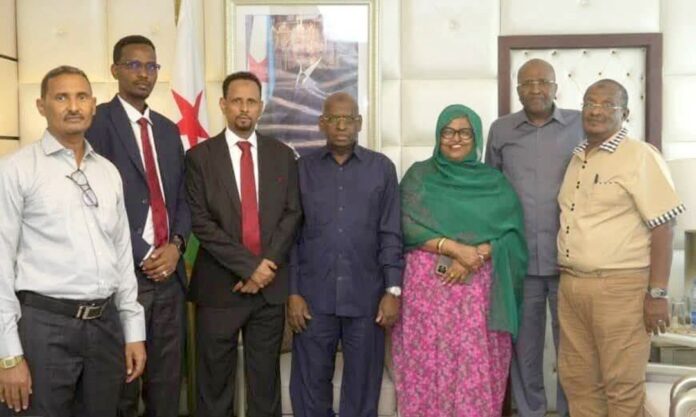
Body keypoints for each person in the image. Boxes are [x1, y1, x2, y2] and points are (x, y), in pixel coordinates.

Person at [0, 65, 146, 416]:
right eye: (61, 97)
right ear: (41, 105)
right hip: (44, 327)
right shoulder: (16, 169)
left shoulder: (108, 172)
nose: (73, 106)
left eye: (81, 97)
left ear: (93, 105)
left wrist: (133, 330)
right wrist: (8, 355)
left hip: (105, 326)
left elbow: (122, 255)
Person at [557, 79, 684, 417]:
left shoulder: (640, 156)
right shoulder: (578, 157)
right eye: (589, 102)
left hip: (620, 288)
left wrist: (657, 293)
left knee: (622, 386)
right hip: (572, 286)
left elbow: (664, 226)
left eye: (606, 104)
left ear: (625, 113)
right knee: (579, 384)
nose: (595, 110)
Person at [392, 104, 528, 417]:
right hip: (426, 296)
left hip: (477, 298)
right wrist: (454, 248)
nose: (456, 139)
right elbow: (403, 224)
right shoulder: (419, 177)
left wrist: (476, 254)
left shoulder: (494, 183)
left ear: (476, 136)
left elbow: (513, 235)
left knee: (473, 363)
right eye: (448, 132)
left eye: (465, 132)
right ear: (438, 136)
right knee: (426, 364)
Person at [185, 71, 302, 417]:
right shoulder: (199, 157)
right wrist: (250, 267)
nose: (244, 108)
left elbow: (292, 214)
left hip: (268, 291)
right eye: (237, 101)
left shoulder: (282, 155)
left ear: (261, 107)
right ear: (223, 104)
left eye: (251, 101)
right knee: (214, 386)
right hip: (219, 289)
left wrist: (265, 268)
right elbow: (201, 223)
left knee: (264, 385)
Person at [85, 35, 190, 417]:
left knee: (167, 384)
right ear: (115, 70)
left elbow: (183, 197)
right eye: (134, 65)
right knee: (123, 385)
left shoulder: (167, 129)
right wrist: (144, 253)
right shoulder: (95, 124)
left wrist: (176, 246)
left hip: (170, 278)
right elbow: (92, 203)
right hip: (123, 275)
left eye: (151, 66)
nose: (144, 73)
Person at [287, 92, 403, 417]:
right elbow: (290, 237)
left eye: (348, 118)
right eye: (334, 119)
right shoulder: (302, 169)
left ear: (359, 123)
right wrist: (293, 292)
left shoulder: (381, 169)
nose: (341, 125)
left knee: (363, 390)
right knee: (310, 391)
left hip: (366, 298)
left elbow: (391, 234)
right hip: (313, 300)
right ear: (322, 123)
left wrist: (393, 290)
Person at [485, 58, 582, 417]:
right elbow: (491, 190)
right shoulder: (501, 130)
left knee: (572, 349)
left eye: (543, 82)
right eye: (527, 83)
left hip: (570, 260)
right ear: (518, 90)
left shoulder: (580, 125)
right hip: (519, 259)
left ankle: (571, 412)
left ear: (556, 87)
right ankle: (530, 412)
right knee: (524, 350)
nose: (536, 89)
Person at [258, 17, 358, 155]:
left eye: (310, 42)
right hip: (281, 160)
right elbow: (264, 125)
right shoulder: (285, 79)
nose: (304, 49)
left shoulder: (335, 83)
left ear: (322, 45)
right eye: (298, 42)